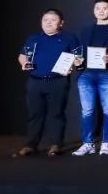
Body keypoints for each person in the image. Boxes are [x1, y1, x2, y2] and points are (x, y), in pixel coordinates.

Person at [15, 9, 80, 157]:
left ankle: (55, 144)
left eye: (53, 20)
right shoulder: (33, 38)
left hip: (58, 81)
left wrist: (73, 66)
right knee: (34, 114)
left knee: (56, 114)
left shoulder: (69, 38)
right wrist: (23, 63)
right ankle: (30, 145)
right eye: (45, 20)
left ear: (61, 23)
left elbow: (78, 58)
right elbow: (22, 55)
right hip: (35, 81)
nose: (48, 23)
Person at [73, 0, 108, 156]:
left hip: (107, 74)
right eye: (98, 8)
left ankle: (106, 143)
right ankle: (88, 143)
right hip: (86, 74)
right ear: (94, 10)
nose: (101, 11)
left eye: (105, 8)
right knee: (87, 111)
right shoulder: (86, 30)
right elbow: (80, 52)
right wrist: (78, 60)